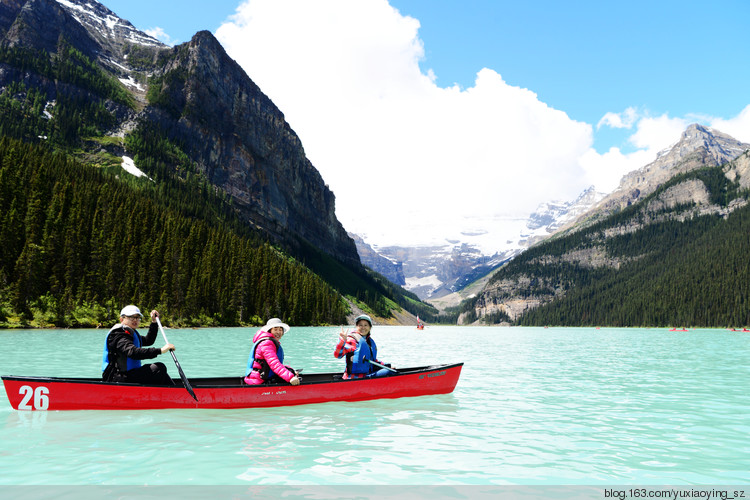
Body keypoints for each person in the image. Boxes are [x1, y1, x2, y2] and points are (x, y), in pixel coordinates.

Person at [102, 305, 175, 385]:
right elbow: (132, 352)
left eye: (137, 317)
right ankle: (173, 393)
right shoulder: (118, 335)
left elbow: (148, 340)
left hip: (129, 375)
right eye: (131, 317)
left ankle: (174, 390)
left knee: (161, 371)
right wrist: (160, 350)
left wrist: (154, 322)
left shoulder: (130, 333)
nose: (135, 320)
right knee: (158, 368)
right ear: (121, 319)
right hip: (118, 378)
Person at [334, 314, 394, 379]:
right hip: (354, 378)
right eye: (360, 325)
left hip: (366, 375)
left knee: (389, 370)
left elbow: (373, 361)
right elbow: (337, 355)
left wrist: (387, 366)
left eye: (366, 325)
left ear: (370, 327)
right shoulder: (352, 340)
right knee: (388, 372)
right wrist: (342, 341)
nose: (363, 327)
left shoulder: (369, 342)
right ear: (356, 327)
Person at [244, 318, 301, 386]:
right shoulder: (267, 343)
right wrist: (290, 377)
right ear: (269, 330)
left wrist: (291, 371)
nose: (278, 332)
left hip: (261, 376)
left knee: (291, 371)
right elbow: (274, 363)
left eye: (280, 330)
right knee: (292, 376)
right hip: (259, 380)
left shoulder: (270, 342)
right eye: (275, 329)